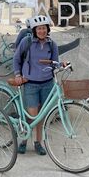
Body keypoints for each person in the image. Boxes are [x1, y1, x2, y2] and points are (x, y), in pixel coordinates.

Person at [13, 15, 59, 155]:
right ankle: (24, 140)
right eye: (39, 29)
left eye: (44, 28)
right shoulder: (26, 42)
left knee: (42, 116)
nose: (42, 31)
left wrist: (59, 65)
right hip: (31, 84)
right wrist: (17, 74)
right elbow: (16, 59)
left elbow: (55, 62)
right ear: (34, 30)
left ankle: (38, 142)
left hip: (47, 84)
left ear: (47, 29)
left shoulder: (52, 44)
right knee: (32, 115)